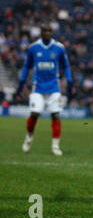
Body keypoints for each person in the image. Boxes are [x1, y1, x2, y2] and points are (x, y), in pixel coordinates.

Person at [16, 24, 73, 156]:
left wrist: (69, 81)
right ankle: (29, 138)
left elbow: (66, 66)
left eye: (49, 31)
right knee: (35, 113)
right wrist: (21, 82)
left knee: (56, 115)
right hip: (38, 87)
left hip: (54, 87)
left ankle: (55, 145)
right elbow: (26, 66)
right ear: (41, 32)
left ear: (52, 32)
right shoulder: (33, 48)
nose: (47, 33)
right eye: (45, 31)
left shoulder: (59, 48)